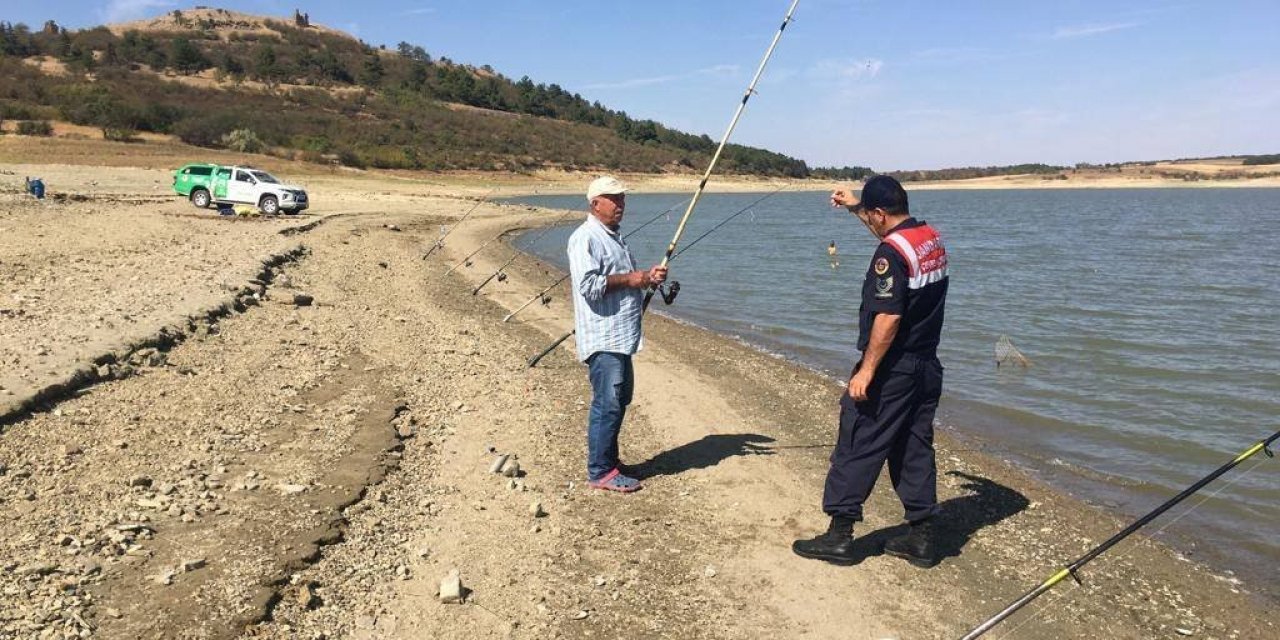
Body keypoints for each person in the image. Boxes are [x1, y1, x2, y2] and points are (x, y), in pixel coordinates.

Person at [793, 174, 950, 567]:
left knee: (859, 439)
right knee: (913, 444)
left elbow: (888, 318)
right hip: (926, 365)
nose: (868, 218)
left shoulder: (890, 254)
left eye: (870, 212)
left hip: (893, 367)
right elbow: (891, 238)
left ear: (880, 212)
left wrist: (866, 370)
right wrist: (853, 207)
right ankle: (923, 534)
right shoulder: (927, 237)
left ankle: (840, 535)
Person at [567, 176, 668, 493]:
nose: (621, 204)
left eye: (623, 198)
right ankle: (599, 471)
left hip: (623, 335)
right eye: (614, 199)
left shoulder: (614, 237)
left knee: (620, 400)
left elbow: (627, 280)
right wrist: (631, 279)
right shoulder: (585, 238)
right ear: (595, 203)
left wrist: (648, 278)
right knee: (607, 403)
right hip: (603, 337)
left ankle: (609, 462)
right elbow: (590, 287)